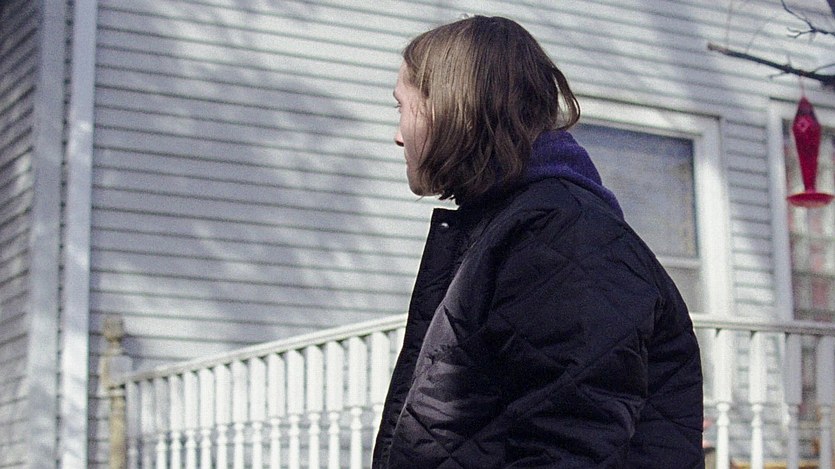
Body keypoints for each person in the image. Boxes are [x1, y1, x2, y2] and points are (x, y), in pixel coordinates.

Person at [373, 15, 704, 469]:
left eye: (402, 108)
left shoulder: (563, 236)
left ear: (450, 108)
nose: (398, 136)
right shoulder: (518, 228)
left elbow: (572, 445)